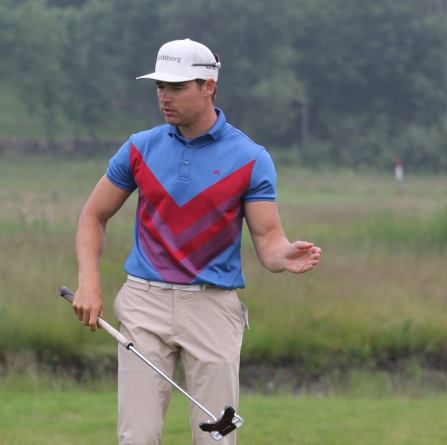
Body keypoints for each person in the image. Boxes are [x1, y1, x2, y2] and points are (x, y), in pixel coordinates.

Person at [72, 38, 321, 445]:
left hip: (213, 308)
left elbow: (269, 239)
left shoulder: (250, 157)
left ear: (209, 86)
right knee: (137, 438)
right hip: (143, 304)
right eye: (160, 86)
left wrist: (284, 256)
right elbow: (92, 216)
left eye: (177, 87)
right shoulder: (139, 148)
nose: (164, 97)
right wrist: (89, 282)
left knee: (216, 439)